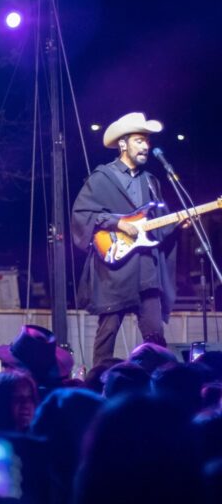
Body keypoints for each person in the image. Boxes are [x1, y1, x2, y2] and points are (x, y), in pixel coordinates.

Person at [72, 112, 179, 367]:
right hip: (115, 270)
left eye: (147, 141)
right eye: (139, 140)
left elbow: (156, 224)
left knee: (155, 337)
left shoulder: (151, 181)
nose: (146, 146)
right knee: (107, 334)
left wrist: (176, 223)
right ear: (123, 143)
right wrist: (117, 222)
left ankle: (157, 387)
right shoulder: (102, 178)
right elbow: (82, 215)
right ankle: (98, 385)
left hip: (145, 269)